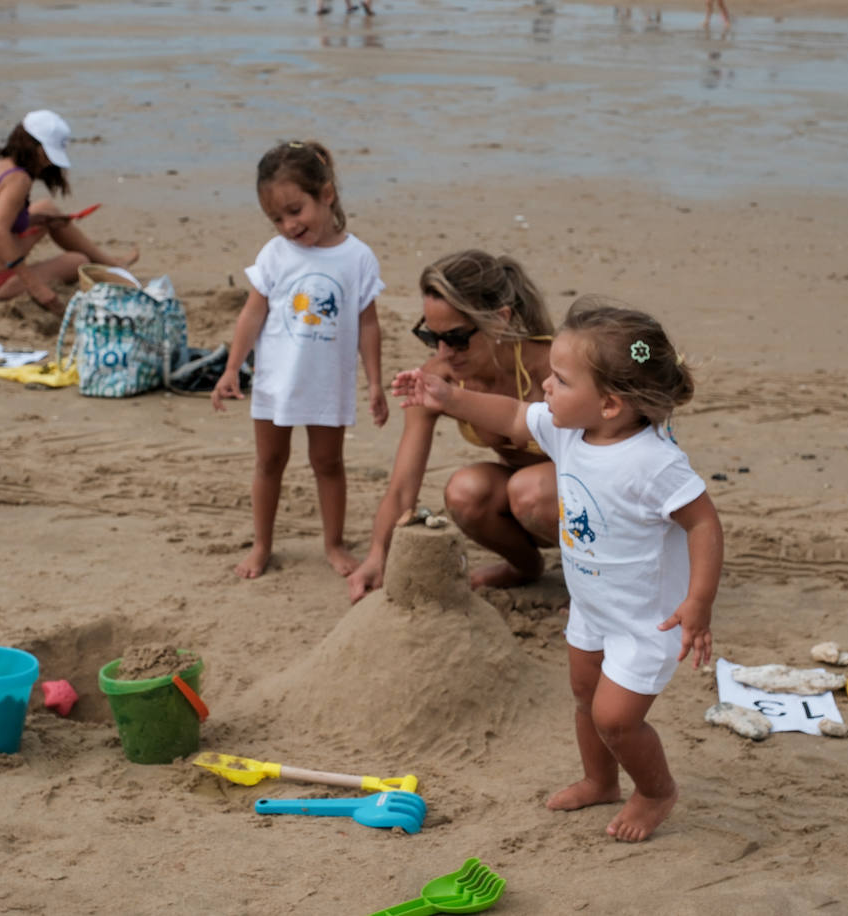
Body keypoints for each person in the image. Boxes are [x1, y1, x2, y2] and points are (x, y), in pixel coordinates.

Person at [392, 299, 724, 842]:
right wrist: (449, 397)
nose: (544, 387)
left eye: (560, 380)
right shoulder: (571, 428)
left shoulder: (654, 462)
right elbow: (510, 415)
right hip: (593, 607)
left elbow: (704, 524)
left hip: (647, 621)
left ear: (611, 403)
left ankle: (656, 790)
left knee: (616, 717)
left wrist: (699, 601)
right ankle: (600, 780)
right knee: (583, 696)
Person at [211, 140, 388, 580]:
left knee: (328, 464)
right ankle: (261, 545)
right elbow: (253, 313)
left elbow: (368, 325)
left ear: (326, 194)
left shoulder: (357, 257)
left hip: (328, 382)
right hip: (276, 382)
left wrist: (376, 382)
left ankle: (333, 544)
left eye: (296, 211)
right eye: (277, 218)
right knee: (269, 463)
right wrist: (232, 367)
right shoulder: (274, 255)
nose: (289, 226)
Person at [345, 250, 557, 604]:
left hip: (595, 499)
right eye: (432, 338)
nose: (444, 352)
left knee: (527, 490)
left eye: (458, 338)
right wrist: (376, 557)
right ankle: (526, 567)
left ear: (500, 319)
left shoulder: (549, 365)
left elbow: (616, 455)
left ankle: (603, 585)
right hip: (532, 499)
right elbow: (402, 488)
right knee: (465, 492)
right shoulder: (439, 380)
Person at [0, 110, 137, 315]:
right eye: (48, 155)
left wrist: (37, 220)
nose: (49, 163)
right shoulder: (18, 179)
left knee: (47, 210)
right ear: (35, 148)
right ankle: (113, 266)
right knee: (79, 261)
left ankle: (113, 264)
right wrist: (37, 289)